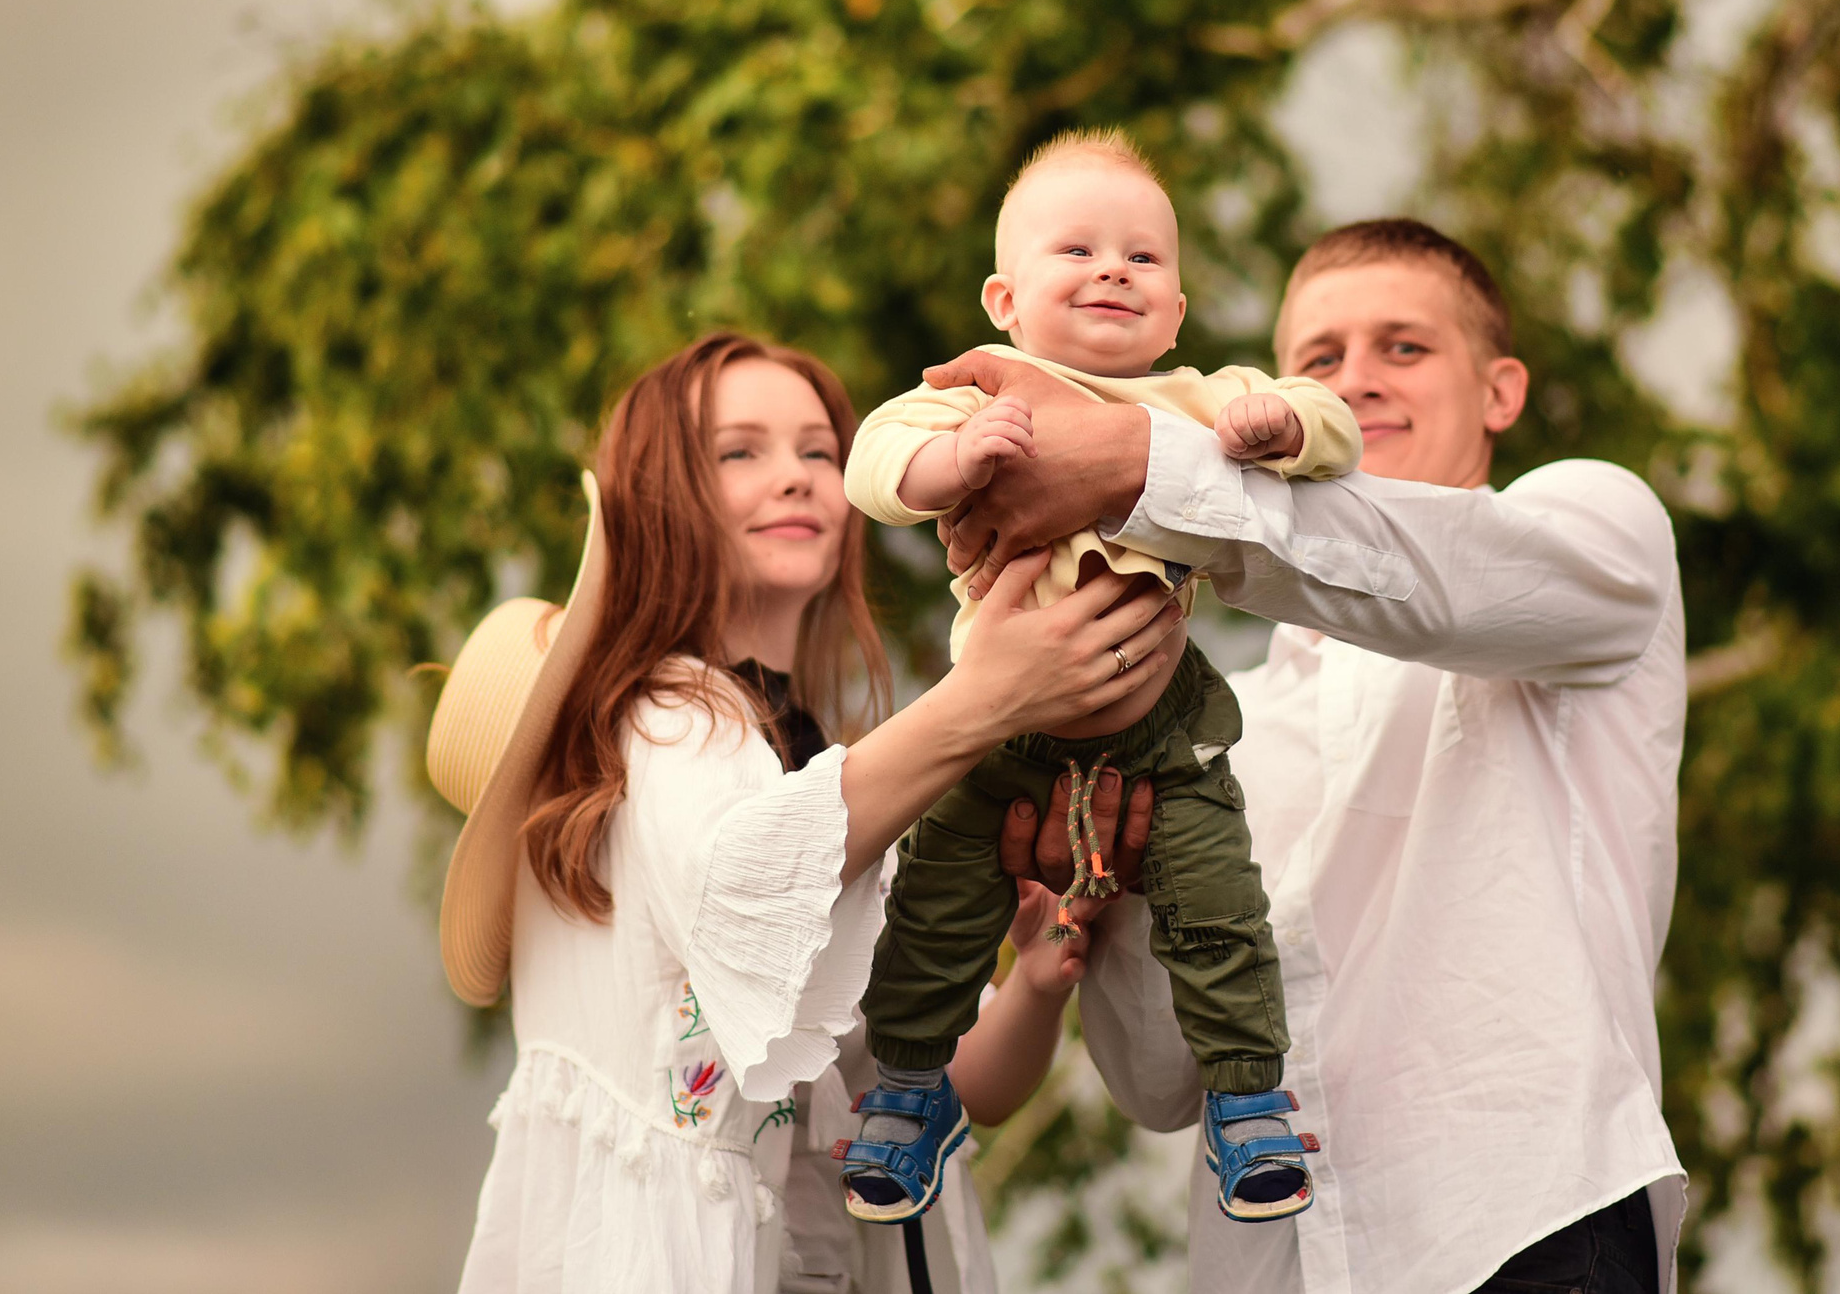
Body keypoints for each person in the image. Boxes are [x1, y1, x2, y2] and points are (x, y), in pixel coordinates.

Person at [943, 221, 1689, 1294]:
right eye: (1324, 358)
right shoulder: (1209, 722)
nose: (1363, 380)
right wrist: (1112, 893)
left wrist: (1134, 468)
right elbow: (1159, 1076)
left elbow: (1433, 570)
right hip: (1272, 1258)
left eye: (1405, 346)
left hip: (1522, 1224)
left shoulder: (1586, 528)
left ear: (1501, 390)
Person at [423, 331, 1186, 1294]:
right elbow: (740, 880)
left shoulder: (809, 762)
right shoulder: (666, 716)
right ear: (659, 503)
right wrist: (984, 696)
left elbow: (949, 1082)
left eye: (820, 450)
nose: (795, 477)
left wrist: (1040, 976)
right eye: (739, 451)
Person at [835, 131, 1360, 1228]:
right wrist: (960, 458)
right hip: (1002, 729)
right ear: (1003, 297)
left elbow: (1332, 427)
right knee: (938, 904)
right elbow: (875, 461)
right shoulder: (978, 395)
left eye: (1144, 258)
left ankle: (1246, 1096)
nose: (1114, 268)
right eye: (1076, 248)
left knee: (1219, 903)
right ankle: (910, 1084)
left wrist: (1276, 422)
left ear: (1176, 311)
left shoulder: (1193, 397)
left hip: (1162, 731)